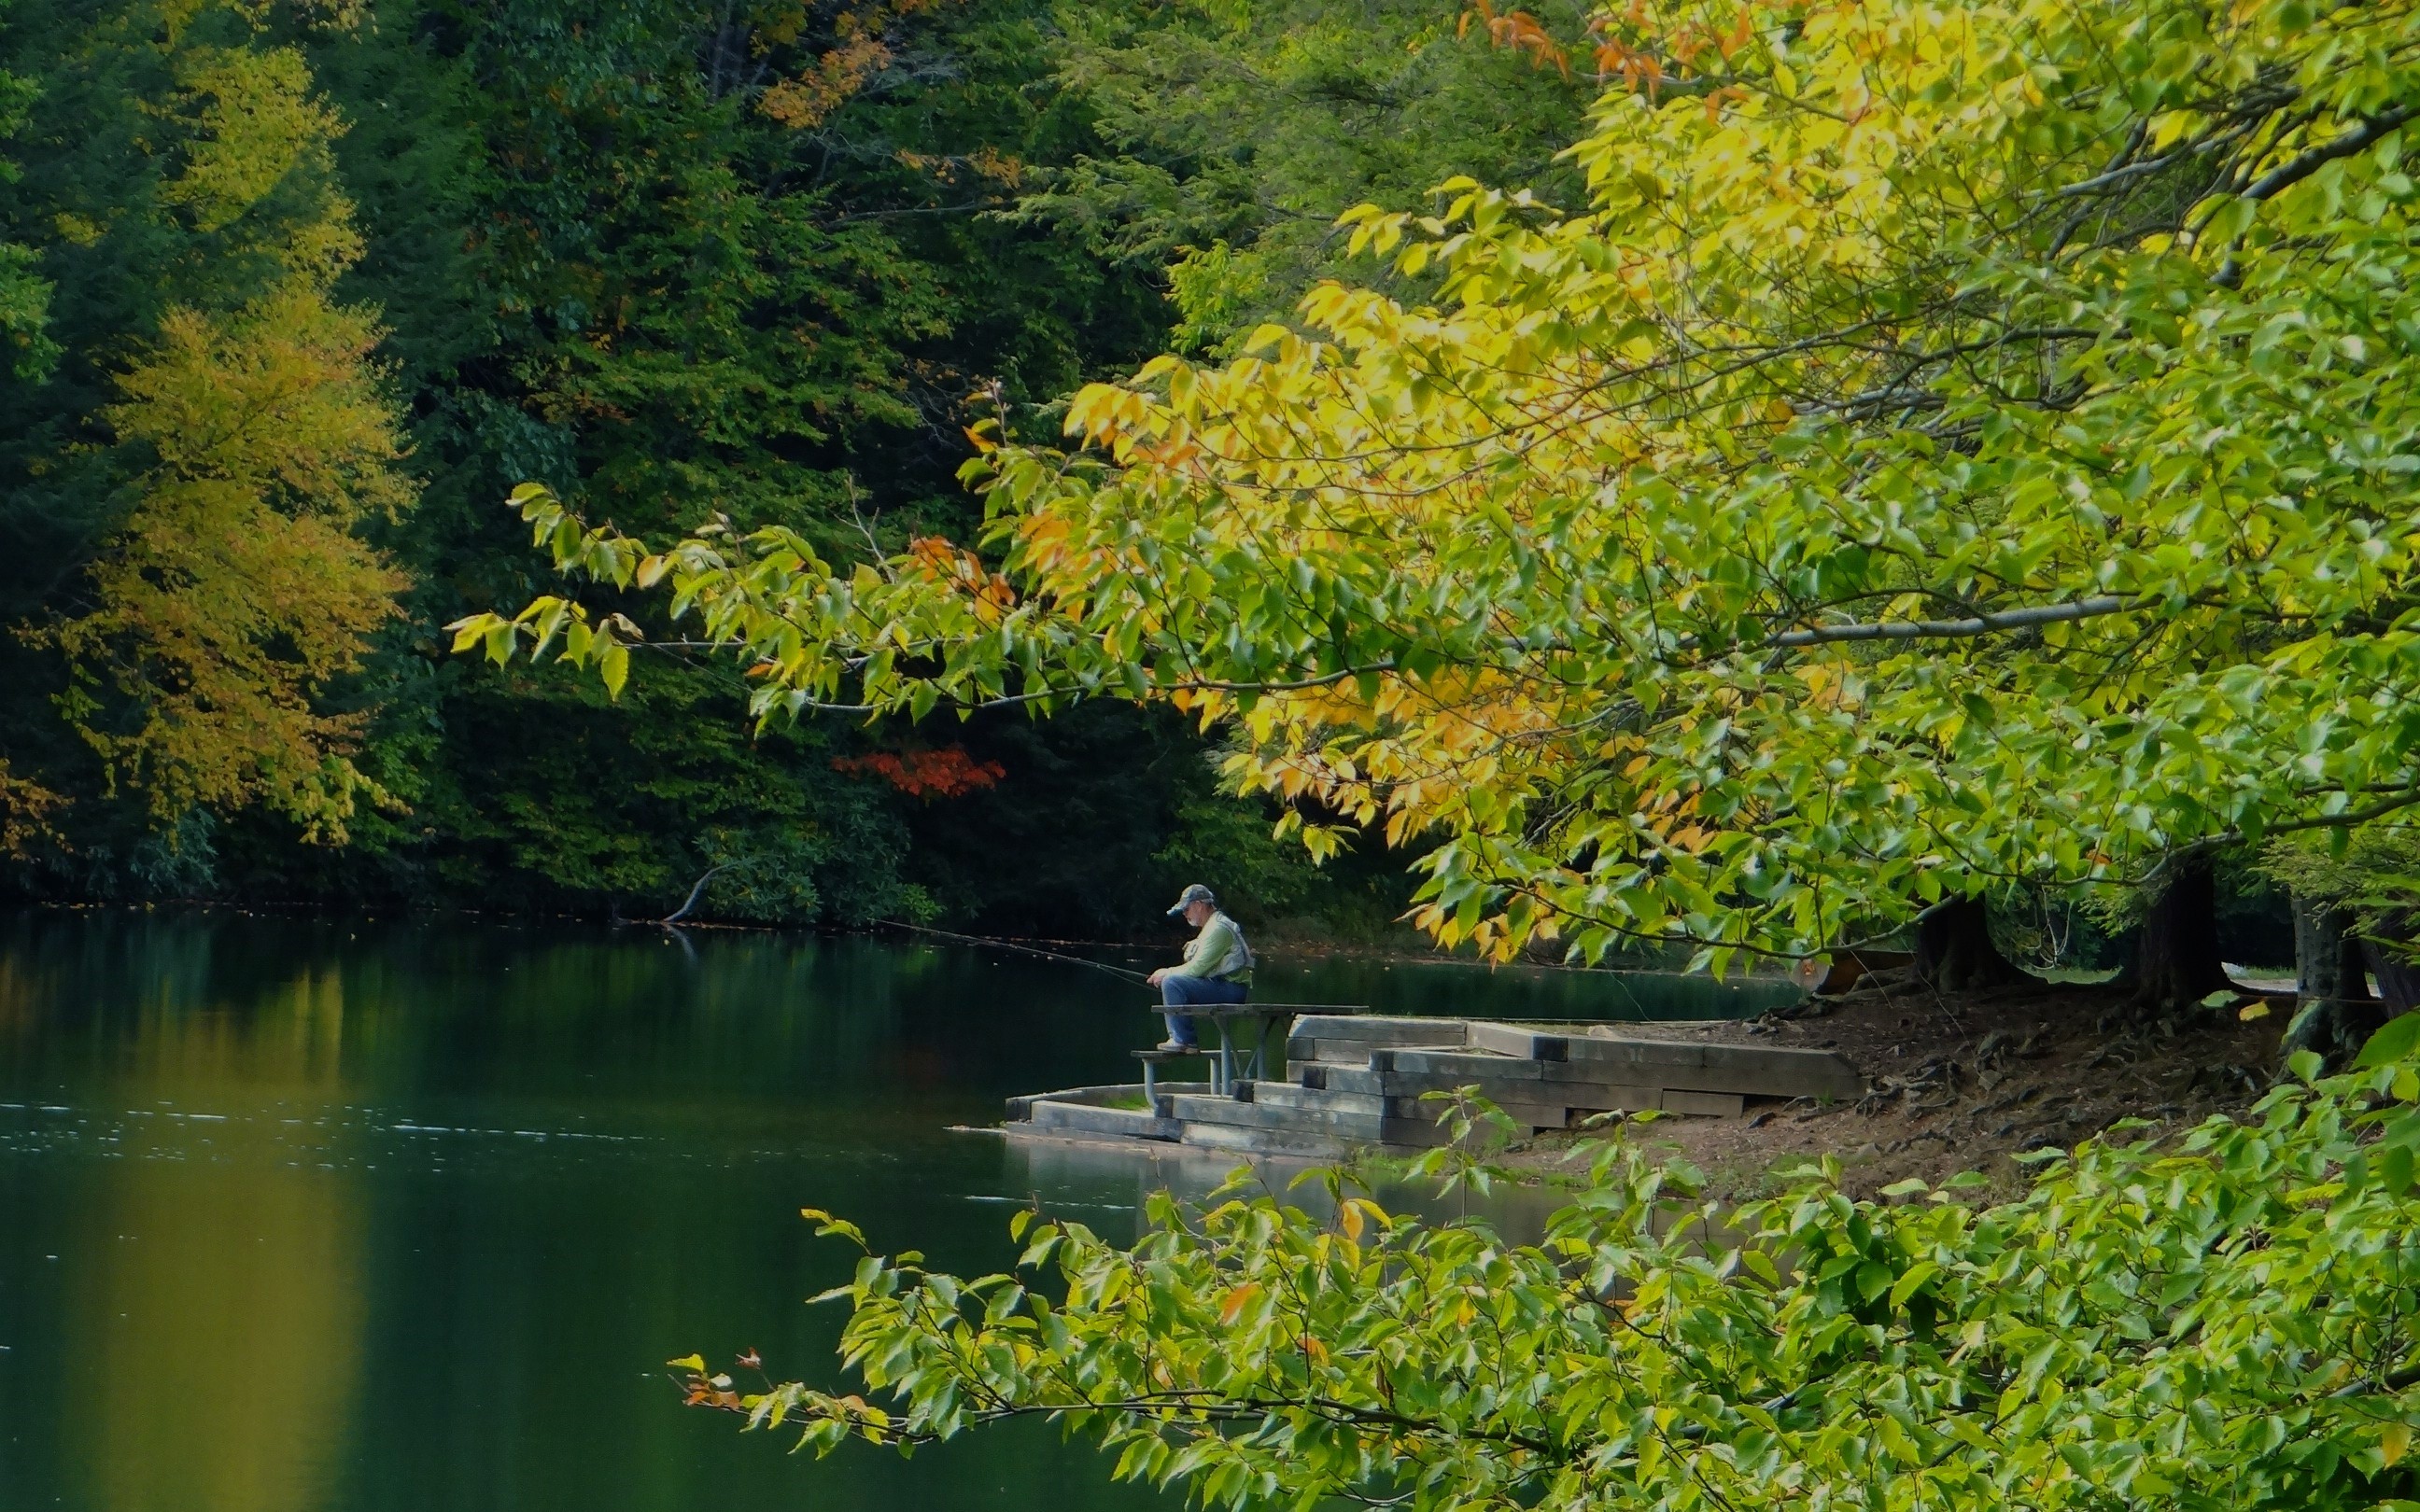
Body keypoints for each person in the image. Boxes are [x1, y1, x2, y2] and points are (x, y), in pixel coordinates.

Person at [1148, 884, 1253, 1050]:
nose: (1184, 914)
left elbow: (1197, 969)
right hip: (1223, 986)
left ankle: (1183, 1040)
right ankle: (1181, 1039)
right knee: (1173, 982)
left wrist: (1166, 973)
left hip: (1231, 990)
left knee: (1171, 982)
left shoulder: (1218, 929)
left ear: (1199, 905)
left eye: (1186, 909)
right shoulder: (1212, 927)